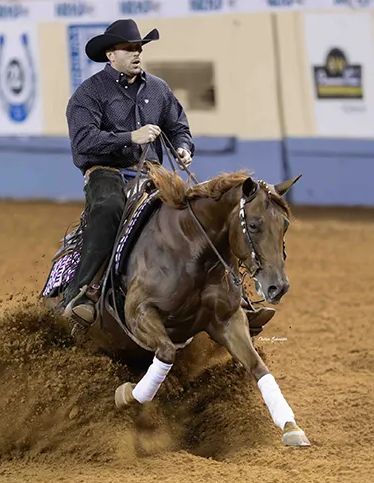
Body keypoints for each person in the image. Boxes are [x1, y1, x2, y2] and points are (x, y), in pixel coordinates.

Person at [61, 18, 276, 335]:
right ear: (110, 55)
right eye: (129, 48)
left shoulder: (158, 90)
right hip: (105, 171)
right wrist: (129, 137)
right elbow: (83, 141)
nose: (137, 53)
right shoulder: (89, 94)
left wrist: (183, 147)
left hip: (152, 174)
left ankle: (237, 296)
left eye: (139, 48)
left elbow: (179, 128)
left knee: (199, 214)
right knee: (107, 208)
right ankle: (86, 292)